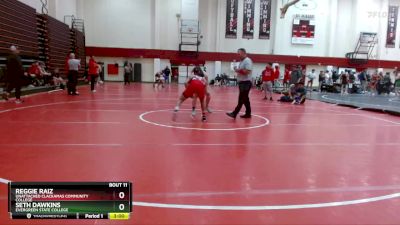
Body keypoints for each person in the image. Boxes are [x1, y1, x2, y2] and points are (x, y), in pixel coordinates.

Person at [226, 48, 253, 119]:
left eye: (239, 53)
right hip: (243, 83)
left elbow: (247, 71)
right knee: (245, 99)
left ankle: (235, 113)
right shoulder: (242, 61)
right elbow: (242, 71)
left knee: (242, 99)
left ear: (243, 53)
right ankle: (248, 114)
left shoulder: (247, 60)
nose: (238, 55)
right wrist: (237, 70)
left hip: (246, 83)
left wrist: (238, 70)